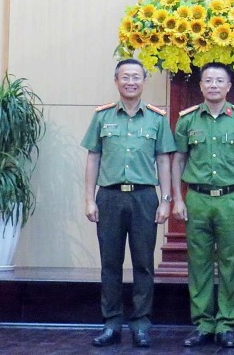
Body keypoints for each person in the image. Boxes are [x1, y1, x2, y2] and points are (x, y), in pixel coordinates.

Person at [81, 59, 176, 348]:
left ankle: (141, 324)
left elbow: (164, 160)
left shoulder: (157, 119)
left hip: (144, 197)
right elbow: (93, 158)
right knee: (110, 263)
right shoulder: (102, 117)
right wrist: (88, 198)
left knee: (144, 263)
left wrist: (166, 200)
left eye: (136, 77)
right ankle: (111, 324)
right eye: (125, 77)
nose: (131, 82)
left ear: (144, 81)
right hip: (109, 196)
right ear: (116, 81)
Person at [171, 63, 234, 349]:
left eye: (219, 81)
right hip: (196, 198)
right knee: (198, 263)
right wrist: (177, 198)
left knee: (230, 261)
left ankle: (226, 324)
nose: (213, 85)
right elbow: (178, 160)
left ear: (229, 86)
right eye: (207, 80)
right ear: (200, 86)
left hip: (231, 198)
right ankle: (203, 323)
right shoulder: (187, 120)